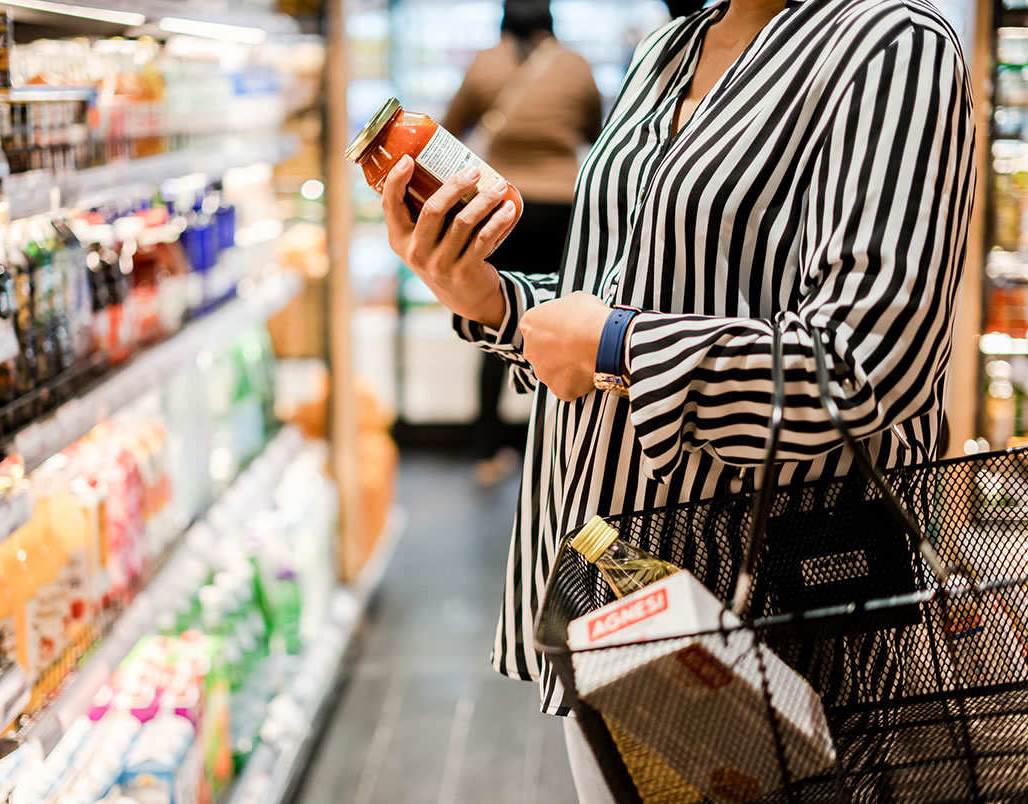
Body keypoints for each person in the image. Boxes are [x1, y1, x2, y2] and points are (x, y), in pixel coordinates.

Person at [380, 0, 975, 797]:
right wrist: (488, 299)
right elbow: (619, 292)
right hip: (607, 586)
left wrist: (618, 345)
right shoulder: (669, 47)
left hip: (761, 614)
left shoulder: (890, 44)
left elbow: (862, 367)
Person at [440, 0, 602, 484]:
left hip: (500, 206)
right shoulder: (575, 66)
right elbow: (596, 132)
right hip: (562, 209)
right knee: (558, 319)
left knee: (496, 317)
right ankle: (555, 450)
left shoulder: (483, 63)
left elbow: (450, 131)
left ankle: (486, 451)